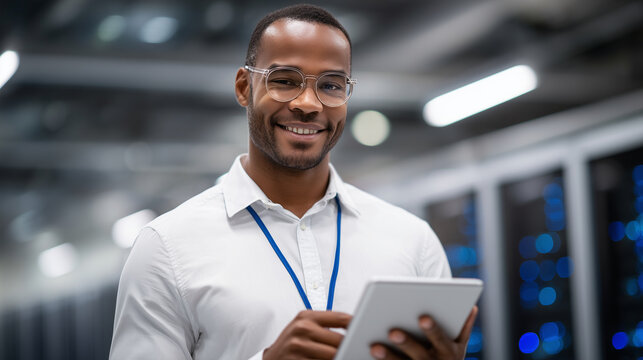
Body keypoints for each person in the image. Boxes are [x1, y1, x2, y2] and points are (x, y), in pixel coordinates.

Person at [109, 4, 477, 360]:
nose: (308, 103)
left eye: (331, 86)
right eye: (285, 81)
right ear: (243, 87)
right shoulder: (166, 249)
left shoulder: (412, 241)